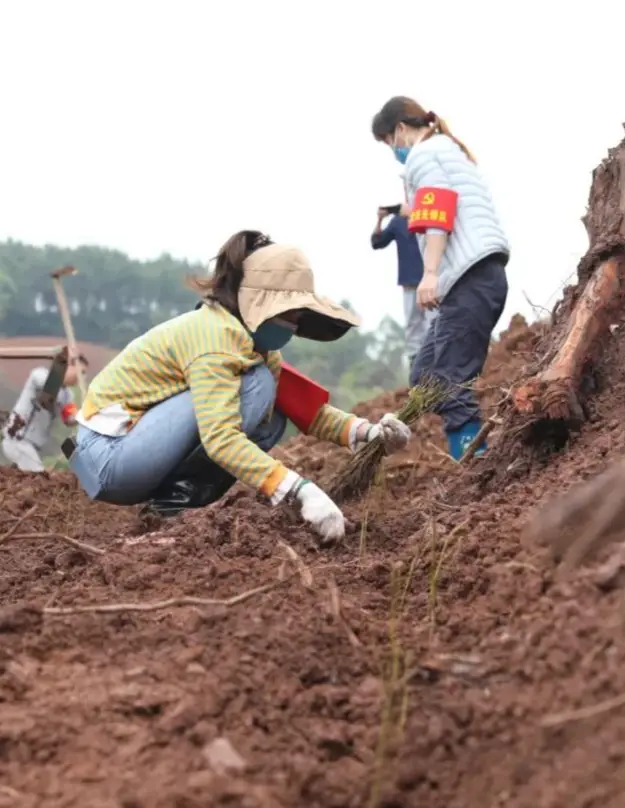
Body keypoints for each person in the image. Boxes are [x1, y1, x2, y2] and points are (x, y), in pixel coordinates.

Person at [66, 230, 412, 543]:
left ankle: (170, 509)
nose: (293, 326)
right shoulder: (215, 340)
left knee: (271, 412)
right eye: (289, 315)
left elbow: (307, 411)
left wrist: (369, 433)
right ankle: (168, 512)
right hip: (109, 456)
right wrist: (297, 489)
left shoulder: (253, 347)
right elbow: (220, 437)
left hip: (136, 449)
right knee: (257, 387)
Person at [371, 96, 510, 460]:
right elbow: (432, 205)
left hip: (469, 278)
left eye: (388, 142)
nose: (393, 150)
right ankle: (474, 455)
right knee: (425, 375)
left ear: (400, 129)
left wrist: (429, 273)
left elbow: (440, 210)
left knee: (447, 381)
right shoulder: (445, 151)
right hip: (478, 276)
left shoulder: (423, 155)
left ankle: (475, 464)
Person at [1, 351, 86, 472]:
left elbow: (69, 419)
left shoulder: (68, 395)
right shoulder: (40, 375)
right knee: (39, 477)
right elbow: (49, 388)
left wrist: (85, 415)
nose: (81, 377)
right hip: (17, 441)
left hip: (31, 447)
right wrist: (62, 362)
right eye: (80, 372)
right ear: (69, 366)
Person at [370, 205, 429, 368]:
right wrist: (380, 219)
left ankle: (435, 364)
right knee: (413, 325)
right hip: (410, 282)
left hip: (431, 281)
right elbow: (377, 242)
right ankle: (416, 367)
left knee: (434, 324)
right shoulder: (398, 222)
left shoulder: (427, 214)